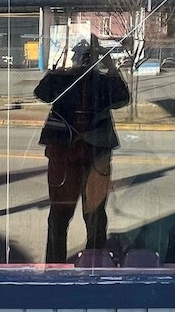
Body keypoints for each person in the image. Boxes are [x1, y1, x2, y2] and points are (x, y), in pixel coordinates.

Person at [34, 33, 130, 264]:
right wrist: (58, 64)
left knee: (95, 214)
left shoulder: (102, 81)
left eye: (91, 58)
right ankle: (55, 268)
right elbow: (42, 93)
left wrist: (110, 66)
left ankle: (95, 265)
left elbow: (122, 98)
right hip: (64, 153)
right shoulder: (63, 78)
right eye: (82, 57)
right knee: (59, 213)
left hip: (95, 153)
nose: (85, 62)